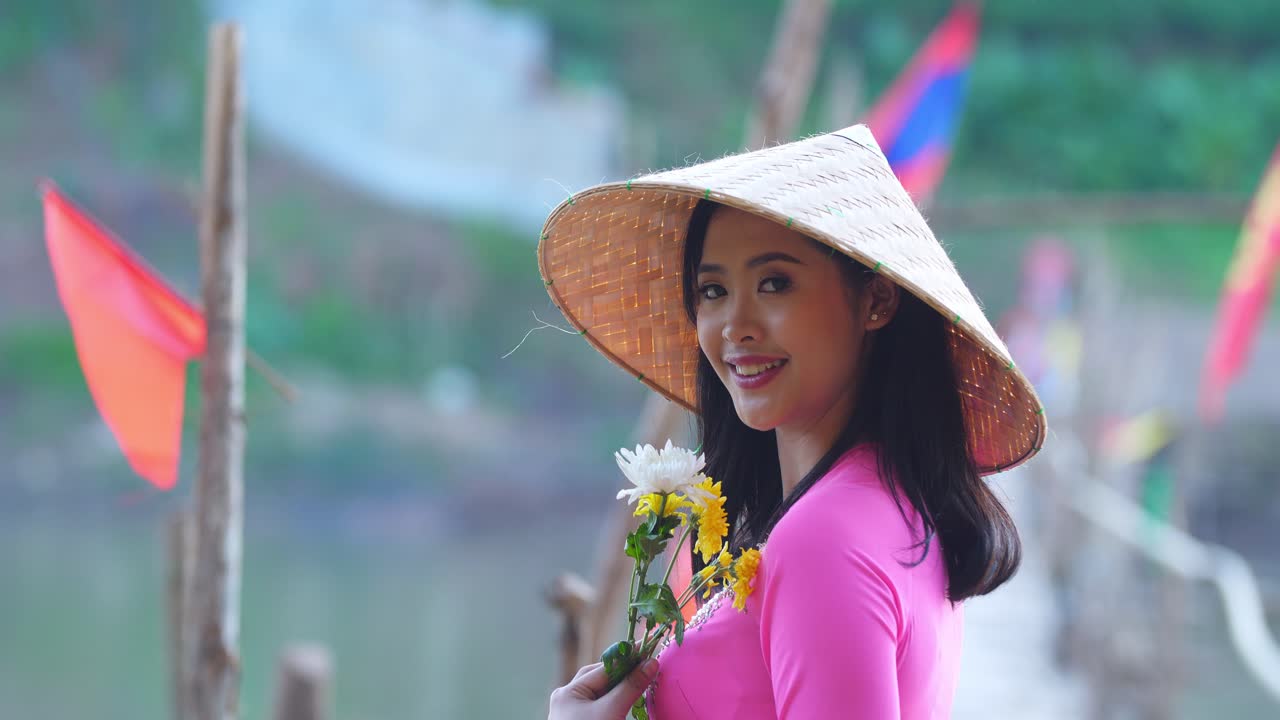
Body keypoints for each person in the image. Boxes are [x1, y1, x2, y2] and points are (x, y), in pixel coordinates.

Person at [538, 124, 1047, 719]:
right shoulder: (890, 507)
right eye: (712, 290)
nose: (735, 325)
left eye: (775, 283)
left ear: (876, 301)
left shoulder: (825, 537)